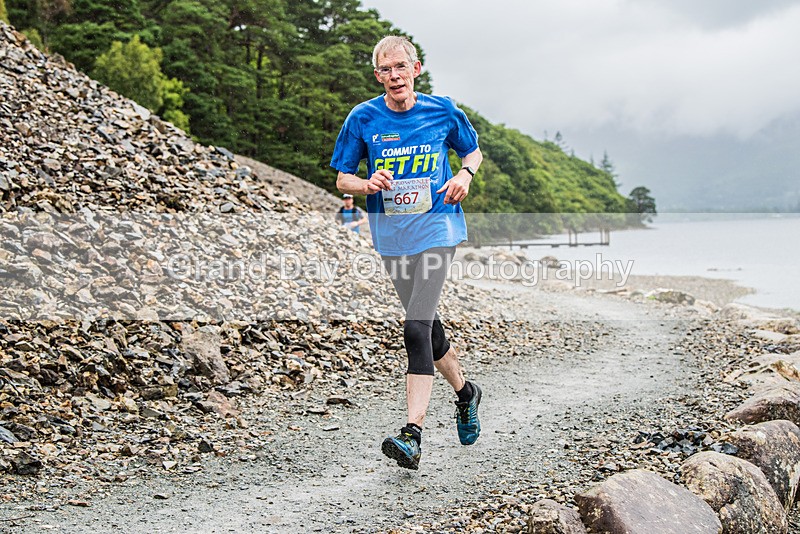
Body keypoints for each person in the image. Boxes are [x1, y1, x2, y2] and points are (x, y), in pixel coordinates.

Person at [330, 35, 484, 470]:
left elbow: (471, 151)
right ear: (377, 74)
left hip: (439, 229)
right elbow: (344, 178)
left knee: (415, 328)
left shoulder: (442, 110)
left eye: (401, 67)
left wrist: (464, 177)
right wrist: (366, 185)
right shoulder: (363, 117)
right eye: (385, 70)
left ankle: (412, 433)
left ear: (417, 69)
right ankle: (466, 392)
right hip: (392, 237)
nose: (394, 76)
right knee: (429, 328)